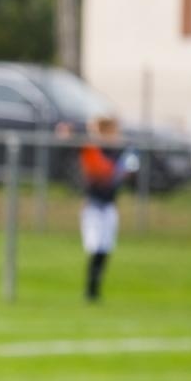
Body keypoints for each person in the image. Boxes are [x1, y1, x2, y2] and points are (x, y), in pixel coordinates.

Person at [76, 116, 138, 302]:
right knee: (95, 247)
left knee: (105, 248)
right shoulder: (93, 150)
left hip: (109, 206)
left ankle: (95, 290)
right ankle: (90, 290)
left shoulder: (119, 152)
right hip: (93, 206)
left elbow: (124, 171)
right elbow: (102, 172)